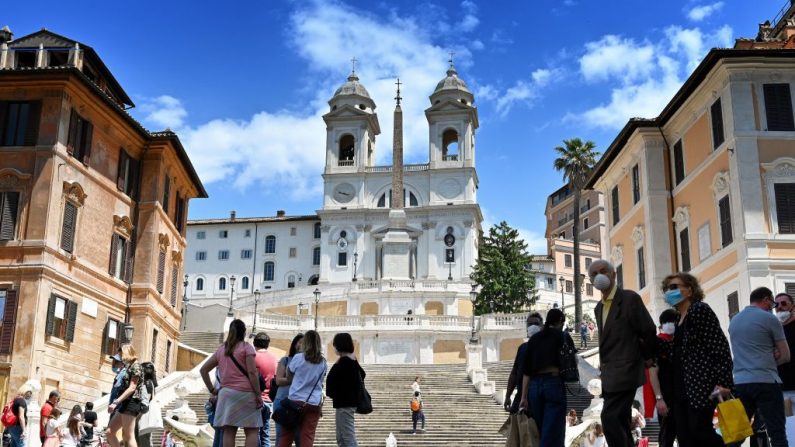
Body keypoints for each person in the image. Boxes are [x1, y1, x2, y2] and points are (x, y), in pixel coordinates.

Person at [589, 260, 656, 447]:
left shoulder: (629, 299)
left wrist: (646, 357)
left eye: (603, 271)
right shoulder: (598, 308)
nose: (599, 276)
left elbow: (648, 330)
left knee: (609, 418)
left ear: (613, 274)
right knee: (620, 421)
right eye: (594, 274)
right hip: (609, 375)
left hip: (627, 370)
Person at [662, 272, 732, 447]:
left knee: (701, 432)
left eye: (674, 287)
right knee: (685, 437)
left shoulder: (699, 309)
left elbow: (719, 347)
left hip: (701, 386)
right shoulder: (678, 318)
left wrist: (724, 383)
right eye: (666, 289)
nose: (668, 292)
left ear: (689, 290)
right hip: (681, 388)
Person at [725, 286, 790, 447]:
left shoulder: (734, 321)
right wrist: (770, 358)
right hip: (766, 381)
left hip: (740, 383)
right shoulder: (770, 319)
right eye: (773, 304)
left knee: (737, 435)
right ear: (766, 300)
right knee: (777, 433)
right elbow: (786, 356)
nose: (773, 309)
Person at [200, 319, 263, 447]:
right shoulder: (247, 348)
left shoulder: (222, 349)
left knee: (228, 431)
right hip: (247, 393)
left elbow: (203, 370)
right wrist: (258, 394)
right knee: (252, 430)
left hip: (226, 394)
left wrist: (212, 390)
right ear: (244, 332)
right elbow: (252, 372)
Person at [518, 308, 572, 447]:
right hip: (553, 382)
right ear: (560, 321)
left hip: (534, 387)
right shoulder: (562, 336)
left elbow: (526, 372)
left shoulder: (534, 339)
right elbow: (573, 360)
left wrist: (524, 397)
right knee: (553, 433)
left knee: (540, 430)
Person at [278, 330, 327, 447]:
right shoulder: (323, 362)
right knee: (307, 437)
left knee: (286, 435)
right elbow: (321, 380)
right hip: (314, 403)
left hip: (295, 401)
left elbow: (289, 377)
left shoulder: (298, 357)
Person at [326, 333, 365, 447]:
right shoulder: (350, 360)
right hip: (344, 404)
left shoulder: (345, 361)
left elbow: (332, 378)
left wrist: (338, 363)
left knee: (347, 437)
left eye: (335, 345)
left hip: (345, 404)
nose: (334, 348)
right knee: (341, 437)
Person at [646, 309, 678, 447]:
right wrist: (659, 399)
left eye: (673, 321)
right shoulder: (658, 342)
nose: (671, 324)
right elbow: (653, 371)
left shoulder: (681, 340)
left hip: (682, 397)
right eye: (667, 322)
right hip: (666, 398)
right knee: (667, 437)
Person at [503, 312, 543, 413]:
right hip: (520, 395)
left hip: (539, 396)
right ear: (526, 327)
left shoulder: (546, 348)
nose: (533, 326)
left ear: (542, 326)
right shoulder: (522, 348)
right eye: (530, 324)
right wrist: (508, 396)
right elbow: (514, 372)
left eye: (536, 324)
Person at [107, 344, 145, 447]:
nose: (120, 357)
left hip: (132, 403)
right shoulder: (129, 366)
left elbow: (132, 387)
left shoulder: (136, 366)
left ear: (126, 353)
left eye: (121, 355)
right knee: (110, 432)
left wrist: (115, 402)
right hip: (125, 403)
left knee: (129, 436)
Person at [273, 333, 304, 446]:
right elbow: (278, 380)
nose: (301, 345)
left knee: (299, 437)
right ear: (294, 344)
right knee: (281, 436)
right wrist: (295, 380)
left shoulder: (309, 362)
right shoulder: (285, 360)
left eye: (304, 343)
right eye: (299, 342)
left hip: (299, 403)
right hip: (282, 401)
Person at [254, 332, 278, 447]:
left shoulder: (252, 357)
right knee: (265, 433)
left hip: (255, 399)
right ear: (268, 344)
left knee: (254, 433)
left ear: (254, 343)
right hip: (269, 400)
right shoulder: (274, 359)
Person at [775, 292, 795, 403]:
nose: (780, 307)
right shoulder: (774, 330)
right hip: (781, 387)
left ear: (793, 306)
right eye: (776, 305)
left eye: (783, 303)